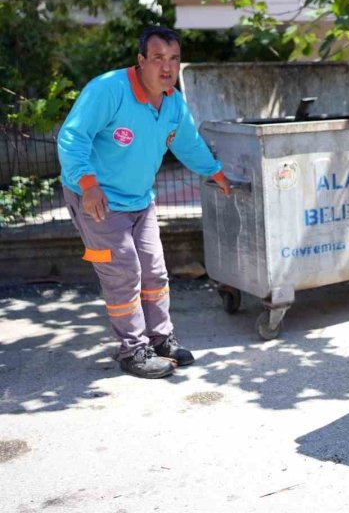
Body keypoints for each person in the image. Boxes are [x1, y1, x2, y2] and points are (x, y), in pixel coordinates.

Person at [57, 25, 232, 379]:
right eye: (157, 59)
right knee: (124, 274)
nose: (166, 68)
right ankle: (133, 350)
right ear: (141, 61)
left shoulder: (172, 102)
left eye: (173, 59)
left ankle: (160, 339)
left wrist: (216, 173)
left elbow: (188, 143)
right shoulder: (108, 89)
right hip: (97, 198)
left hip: (140, 199)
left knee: (154, 270)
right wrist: (88, 185)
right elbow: (72, 137)